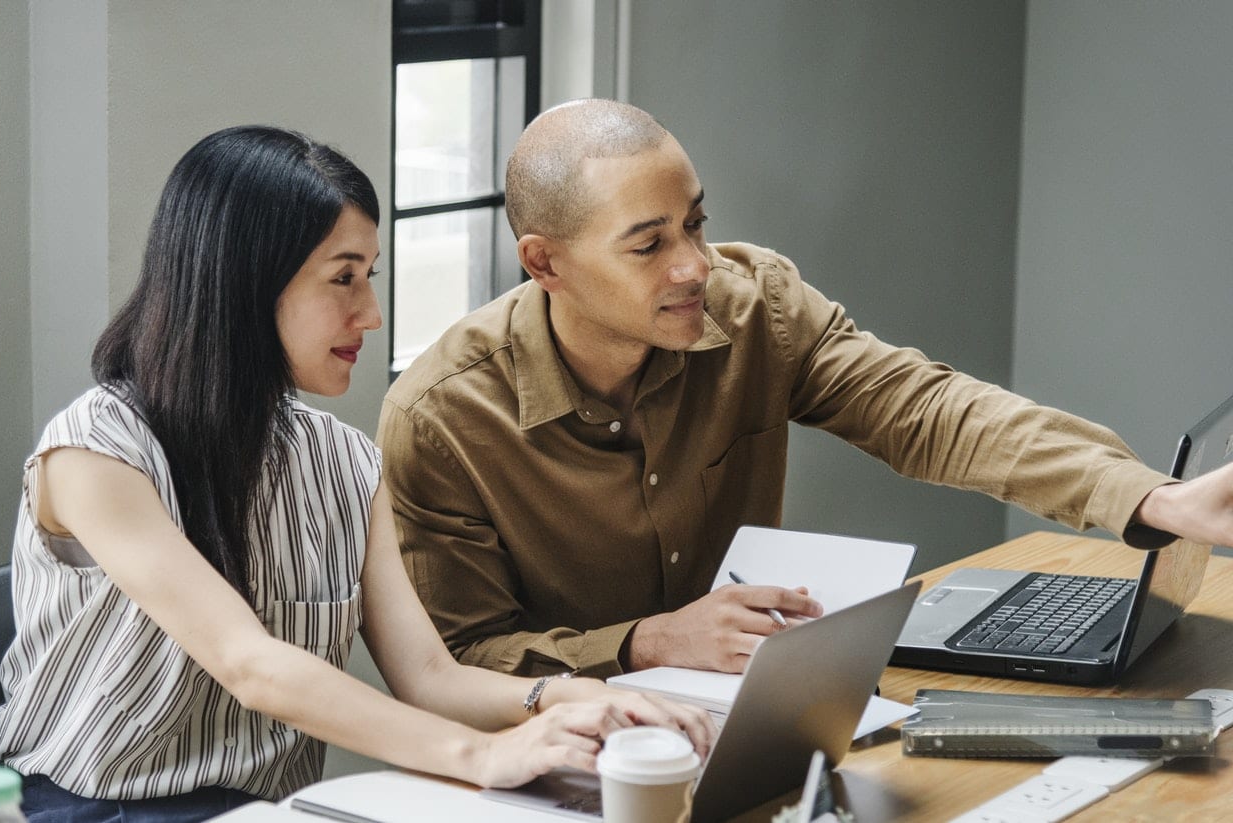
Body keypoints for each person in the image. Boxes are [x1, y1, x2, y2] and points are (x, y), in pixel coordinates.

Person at [0, 125, 712, 822]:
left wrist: (568, 699)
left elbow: (431, 676)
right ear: (244, 284)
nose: (371, 313)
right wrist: (485, 755)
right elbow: (250, 663)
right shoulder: (95, 451)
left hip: (268, 810)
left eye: (371, 275)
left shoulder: (344, 460)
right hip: (91, 810)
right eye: (344, 279)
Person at [377, 98, 1233, 679]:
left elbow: (928, 409)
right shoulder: (443, 417)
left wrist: (1155, 499)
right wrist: (643, 644)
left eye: (697, 223)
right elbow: (458, 659)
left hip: (758, 714)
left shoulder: (757, 307)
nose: (694, 265)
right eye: (649, 246)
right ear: (545, 262)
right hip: (559, 763)